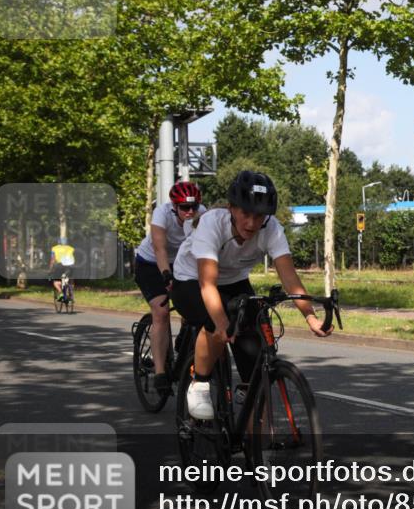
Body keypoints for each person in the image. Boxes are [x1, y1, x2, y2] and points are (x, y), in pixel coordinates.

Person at [171, 170, 330, 420]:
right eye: (245, 213)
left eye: (259, 217)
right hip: (191, 279)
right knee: (216, 322)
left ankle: (258, 448)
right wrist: (223, 323)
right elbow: (208, 285)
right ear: (232, 208)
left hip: (235, 281)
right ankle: (199, 384)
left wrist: (310, 317)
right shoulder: (213, 223)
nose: (252, 224)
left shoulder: (272, 229)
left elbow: (289, 278)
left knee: (256, 362)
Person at [134, 181, 206, 392]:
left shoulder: (201, 213)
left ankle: (184, 347)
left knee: (193, 307)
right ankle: (160, 373)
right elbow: (159, 248)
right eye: (184, 207)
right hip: (151, 263)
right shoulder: (162, 213)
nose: (190, 212)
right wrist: (166, 275)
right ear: (174, 206)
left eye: (193, 207)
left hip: (183, 262)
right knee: (161, 311)